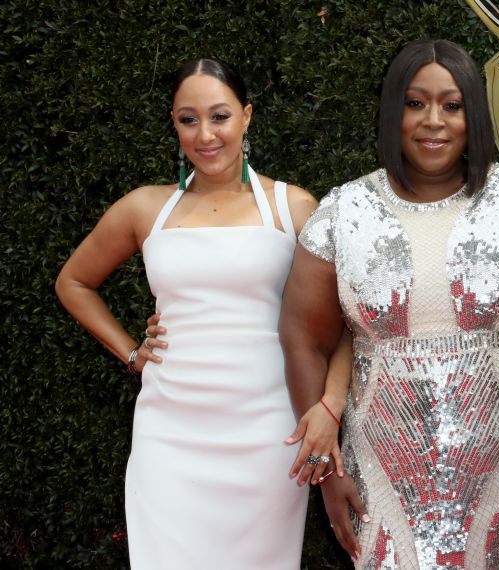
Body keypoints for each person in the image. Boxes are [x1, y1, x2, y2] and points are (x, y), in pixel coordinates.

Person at [279, 39, 499, 568]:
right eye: (415, 103)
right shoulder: (343, 213)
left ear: (474, 113)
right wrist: (328, 473)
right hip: (382, 480)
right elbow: (304, 340)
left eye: (452, 105)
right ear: (391, 111)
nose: (435, 121)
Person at [55, 58, 319, 569]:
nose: (205, 134)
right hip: (169, 435)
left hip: (267, 432)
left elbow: (336, 320)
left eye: (219, 116)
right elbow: (74, 281)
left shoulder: (296, 208)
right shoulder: (143, 208)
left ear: (246, 116)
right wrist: (132, 352)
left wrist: (326, 407)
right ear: (173, 125)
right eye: (188, 119)